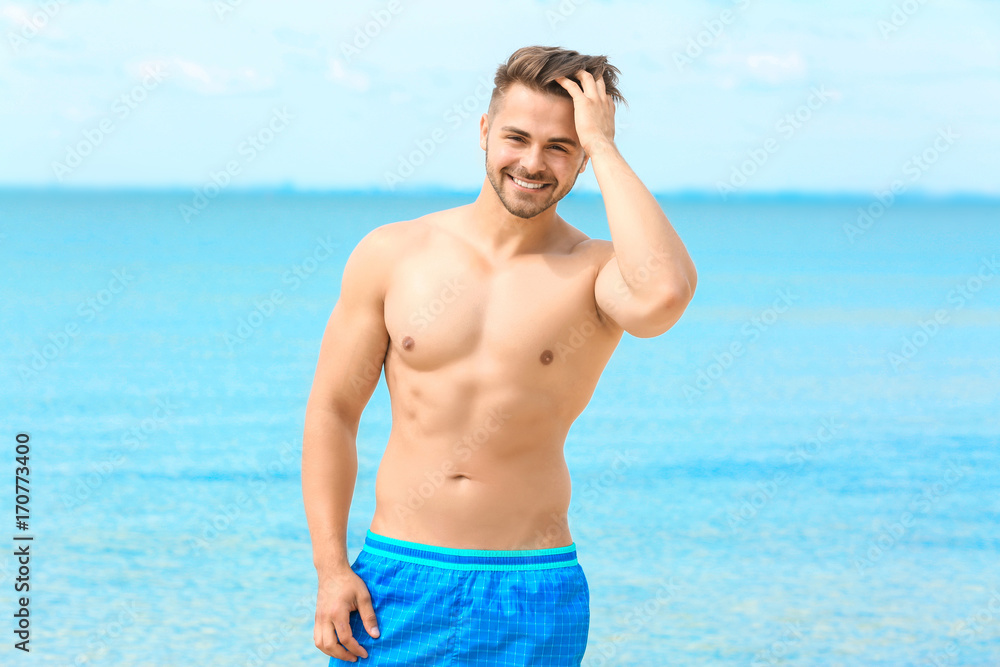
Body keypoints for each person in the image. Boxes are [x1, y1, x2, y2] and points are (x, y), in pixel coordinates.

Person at [302, 45, 697, 666]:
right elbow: (332, 411)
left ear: (583, 160)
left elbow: (664, 294)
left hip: (531, 586)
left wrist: (605, 145)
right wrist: (330, 568)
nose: (533, 163)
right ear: (485, 132)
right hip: (394, 580)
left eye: (562, 146)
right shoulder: (393, 254)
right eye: (517, 137)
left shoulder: (593, 273)